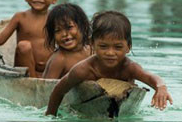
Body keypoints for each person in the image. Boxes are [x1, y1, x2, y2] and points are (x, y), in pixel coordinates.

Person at [45, 11, 173, 115]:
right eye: (103, 46)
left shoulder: (129, 68)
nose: (110, 53)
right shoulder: (83, 70)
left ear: (128, 47)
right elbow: (59, 90)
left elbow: (150, 77)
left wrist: (161, 87)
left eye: (118, 47)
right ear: (92, 44)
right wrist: (51, 117)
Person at [42, 3, 92, 79]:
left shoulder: (91, 51)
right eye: (57, 30)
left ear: (84, 26)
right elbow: (46, 87)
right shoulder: (60, 59)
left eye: (69, 27)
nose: (64, 34)